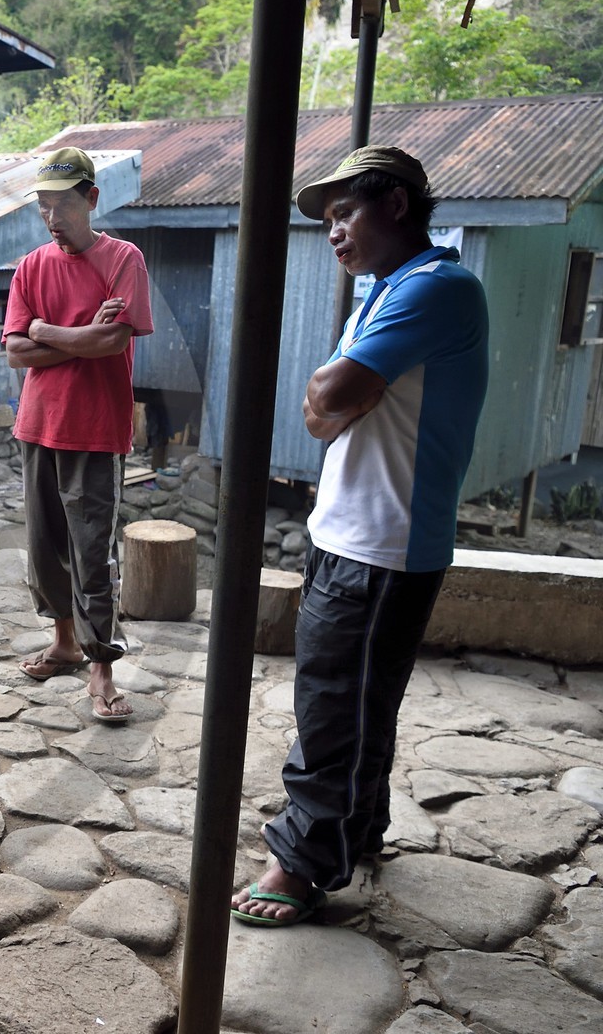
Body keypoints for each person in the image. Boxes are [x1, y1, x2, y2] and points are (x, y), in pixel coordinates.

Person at [232, 146, 489, 927]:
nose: (334, 232)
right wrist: (336, 398)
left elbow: (331, 391)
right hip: (354, 531)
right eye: (328, 220)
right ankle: (354, 829)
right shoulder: (383, 293)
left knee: (335, 704)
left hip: (385, 539)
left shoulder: (438, 287)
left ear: (399, 206)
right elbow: (318, 415)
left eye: (347, 213)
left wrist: (339, 395)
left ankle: (302, 862)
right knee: (360, 699)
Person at [4, 146, 153, 723]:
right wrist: (73, 333)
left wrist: (44, 330)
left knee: (92, 552)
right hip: (38, 425)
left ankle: (101, 668)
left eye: (62, 204)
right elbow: (16, 352)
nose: (51, 217)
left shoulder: (124, 260)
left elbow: (112, 343)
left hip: (95, 430)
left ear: (91, 199)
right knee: (45, 548)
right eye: (43, 205)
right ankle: (64, 642)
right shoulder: (31, 266)